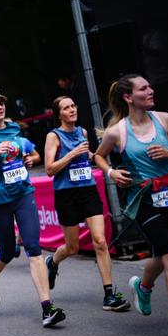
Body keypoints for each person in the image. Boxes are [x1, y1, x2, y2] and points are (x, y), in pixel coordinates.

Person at [93, 74, 168, 336]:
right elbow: (98, 156)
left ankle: (143, 286)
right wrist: (112, 172)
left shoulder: (165, 119)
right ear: (128, 97)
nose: (151, 91)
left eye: (150, 86)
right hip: (143, 199)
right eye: (144, 88)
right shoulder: (118, 131)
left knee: (163, 255)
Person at [0, 89, 66, 327]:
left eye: (2, 102)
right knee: (7, 252)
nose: (0, 107)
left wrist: (32, 159)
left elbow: (31, 153)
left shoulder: (14, 129)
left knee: (34, 249)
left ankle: (47, 308)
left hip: (23, 193)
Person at [43, 96, 129, 311]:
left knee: (100, 241)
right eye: (66, 108)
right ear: (59, 114)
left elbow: (87, 157)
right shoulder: (54, 136)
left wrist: (95, 157)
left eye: (73, 105)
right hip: (66, 195)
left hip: (88, 190)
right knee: (72, 248)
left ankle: (109, 294)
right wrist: (72, 154)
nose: (72, 110)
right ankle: (53, 262)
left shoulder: (82, 132)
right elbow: (49, 169)